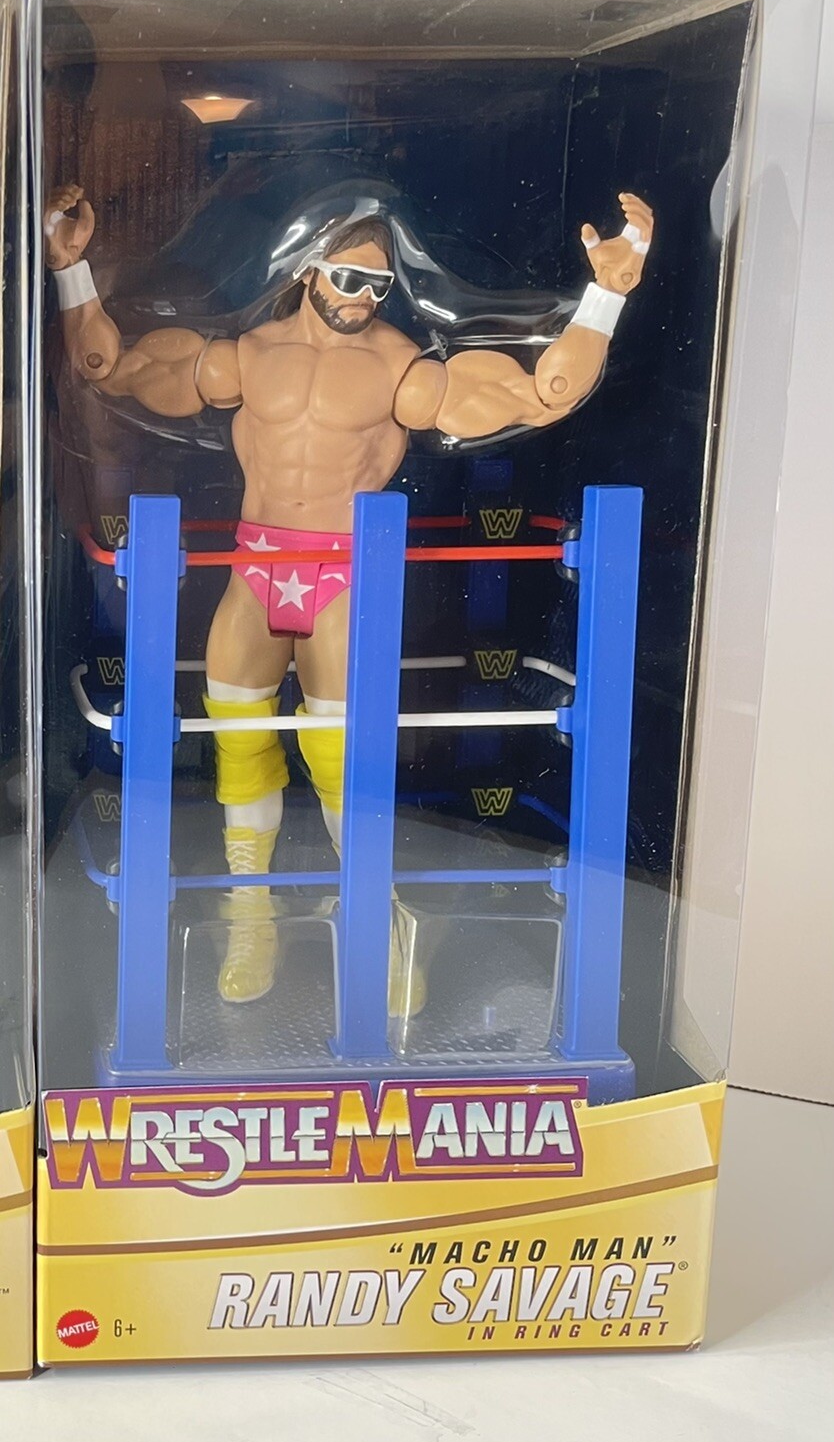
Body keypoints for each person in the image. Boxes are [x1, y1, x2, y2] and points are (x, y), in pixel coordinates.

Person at [45, 186, 653, 1007]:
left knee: (342, 760)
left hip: (340, 576)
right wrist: (71, 270)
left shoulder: (400, 370)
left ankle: (376, 919)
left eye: (377, 284)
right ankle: (249, 916)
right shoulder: (248, 355)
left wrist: (607, 295)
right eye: (347, 277)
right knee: (240, 743)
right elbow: (109, 368)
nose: (361, 297)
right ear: (307, 270)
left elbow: (541, 395)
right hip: (256, 567)